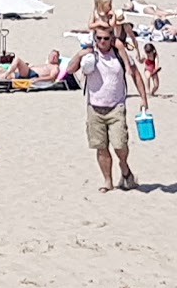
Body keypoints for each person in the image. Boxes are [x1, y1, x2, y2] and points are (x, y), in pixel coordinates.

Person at [61, 27, 149, 192]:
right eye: (99, 38)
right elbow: (70, 70)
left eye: (106, 38)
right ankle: (108, 181)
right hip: (94, 108)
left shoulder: (120, 56)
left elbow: (136, 75)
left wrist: (144, 98)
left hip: (116, 107)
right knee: (101, 147)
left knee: (120, 144)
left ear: (112, 39)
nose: (102, 41)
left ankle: (124, 167)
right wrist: (79, 55)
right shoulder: (89, 57)